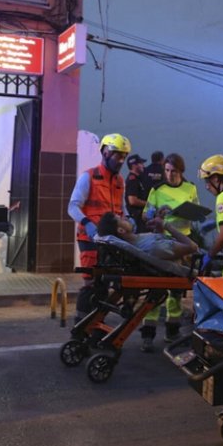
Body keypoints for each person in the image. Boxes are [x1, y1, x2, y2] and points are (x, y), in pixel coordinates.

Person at [139, 153, 200, 350]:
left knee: (176, 289)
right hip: (162, 243)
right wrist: (156, 214)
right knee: (156, 287)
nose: (170, 174)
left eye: (173, 171)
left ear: (181, 171)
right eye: (166, 170)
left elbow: (197, 212)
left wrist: (190, 213)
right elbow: (145, 216)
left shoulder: (190, 188)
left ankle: (172, 332)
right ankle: (148, 335)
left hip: (182, 244)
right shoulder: (157, 190)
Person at [67, 132, 130, 323]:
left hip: (110, 240)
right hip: (89, 238)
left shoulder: (120, 181)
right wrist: (88, 224)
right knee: (91, 283)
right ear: (105, 153)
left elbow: (121, 208)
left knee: (104, 284)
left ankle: (96, 323)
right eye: (118, 155)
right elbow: (72, 206)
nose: (121, 160)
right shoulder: (88, 177)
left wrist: (128, 220)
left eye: (124, 156)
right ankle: (81, 326)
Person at [96, 212, 198, 262]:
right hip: (201, 262)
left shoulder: (139, 239)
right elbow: (192, 247)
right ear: (121, 230)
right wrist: (166, 225)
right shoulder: (152, 247)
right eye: (122, 219)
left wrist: (159, 227)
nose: (126, 218)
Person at [124, 154, 149, 233]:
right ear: (134, 165)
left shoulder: (138, 179)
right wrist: (149, 204)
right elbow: (132, 200)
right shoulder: (133, 180)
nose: (143, 166)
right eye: (141, 163)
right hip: (136, 217)